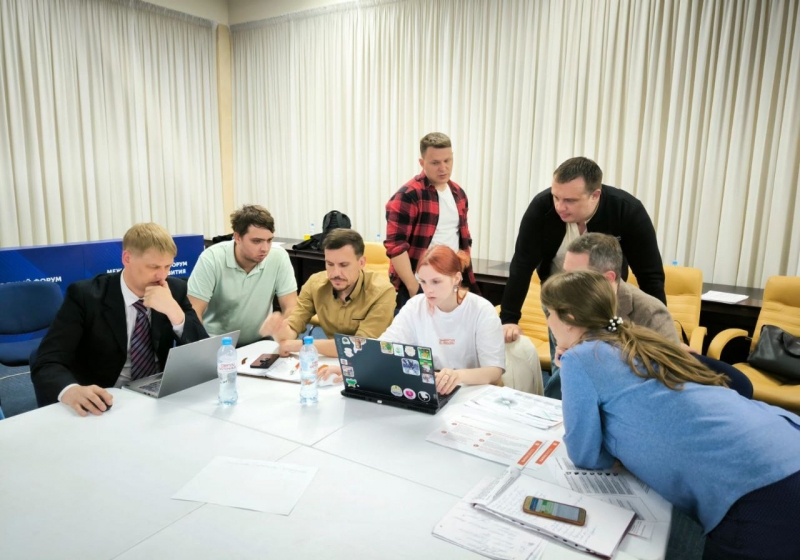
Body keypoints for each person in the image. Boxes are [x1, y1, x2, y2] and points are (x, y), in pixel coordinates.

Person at [540, 270, 800, 560]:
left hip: (757, 485)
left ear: (569, 318)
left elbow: (584, 455)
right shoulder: (637, 338)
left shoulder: (581, 358)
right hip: (783, 439)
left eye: (549, 312)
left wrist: (616, 452)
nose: (548, 321)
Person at [499, 157, 665, 396]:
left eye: (570, 200)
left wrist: (659, 326)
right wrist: (509, 318)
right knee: (565, 362)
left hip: (606, 300)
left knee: (609, 363)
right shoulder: (541, 208)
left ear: (595, 195)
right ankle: (558, 405)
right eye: (556, 197)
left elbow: (650, 274)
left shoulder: (626, 210)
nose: (560, 206)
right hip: (559, 298)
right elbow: (521, 265)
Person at [32, 223, 208, 416]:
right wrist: (71, 390)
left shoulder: (174, 289)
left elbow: (204, 354)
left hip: (157, 395)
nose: (162, 275)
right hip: (105, 399)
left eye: (168, 266)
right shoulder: (86, 296)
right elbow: (47, 361)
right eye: (153, 267)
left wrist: (175, 312)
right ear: (127, 258)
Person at [561, 233, 753, 399]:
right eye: (565, 274)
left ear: (608, 278)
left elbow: (670, 381)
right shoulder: (570, 304)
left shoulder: (650, 312)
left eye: (575, 276)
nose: (565, 284)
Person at [346, 245, 505, 395]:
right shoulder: (415, 305)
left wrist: (458, 376)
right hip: (430, 390)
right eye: (423, 281)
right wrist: (354, 366)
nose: (428, 290)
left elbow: (494, 371)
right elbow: (384, 346)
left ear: (456, 278)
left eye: (436, 281)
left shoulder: (481, 310)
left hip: (471, 392)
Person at [264, 229, 395, 358]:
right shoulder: (315, 284)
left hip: (372, 360)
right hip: (331, 359)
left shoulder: (383, 292)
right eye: (330, 264)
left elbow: (360, 346)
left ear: (361, 263)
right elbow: (292, 328)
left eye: (343, 265)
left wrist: (303, 344)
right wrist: (279, 330)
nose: (335, 273)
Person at [385, 132, 477, 309]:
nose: (443, 168)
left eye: (447, 161)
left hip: (451, 283)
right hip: (421, 285)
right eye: (435, 163)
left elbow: (464, 239)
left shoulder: (458, 193)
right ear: (422, 163)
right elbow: (395, 247)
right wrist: (414, 287)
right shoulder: (408, 195)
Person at [188, 205, 297, 346]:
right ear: (237, 237)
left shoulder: (279, 257)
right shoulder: (212, 258)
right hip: (218, 343)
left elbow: (291, 307)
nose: (265, 248)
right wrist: (204, 348)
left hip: (260, 341)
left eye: (269, 240)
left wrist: (283, 324)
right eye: (256, 241)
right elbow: (194, 313)